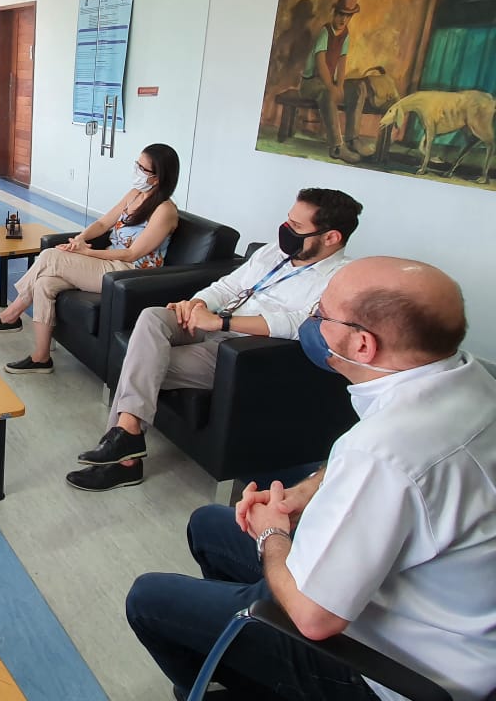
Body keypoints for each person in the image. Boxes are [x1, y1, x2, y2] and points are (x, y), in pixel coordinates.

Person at [125, 257, 496, 701]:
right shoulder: (469, 378)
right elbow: (369, 470)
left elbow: (315, 619)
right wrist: (303, 494)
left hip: (388, 664)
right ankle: (244, 656)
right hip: (410, 599)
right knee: (209, 525)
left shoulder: (384, 452)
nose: (311, 324)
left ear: (362, 345)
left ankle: (218, 682)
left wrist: (272, 537)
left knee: (149, 599)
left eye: (320, 315)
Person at [69, 187, 362, 491]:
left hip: (237, 350)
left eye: (297, 228)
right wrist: (197, 303)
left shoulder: (340, 279)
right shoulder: (276, 251)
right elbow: (227, 285)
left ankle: (125, 456)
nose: (286, 231)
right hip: (210, 323)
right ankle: (127, 437)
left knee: (139, 361)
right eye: (288, 221)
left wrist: (223, 321)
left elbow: (297, 323)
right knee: (153, 317)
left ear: (331, 237)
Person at [0, 144, 181, 375]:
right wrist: (79, 239)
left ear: (157, 177)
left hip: (128, 272)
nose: (136, 171)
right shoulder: (135, 194)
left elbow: (132, 254)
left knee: (50, 256)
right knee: (45, 283)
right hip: (109, 263)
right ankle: (41, 358)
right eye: (137, 164)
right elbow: (103, 224)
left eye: (142, 169)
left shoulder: (165, 211)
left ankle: (10, 315)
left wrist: (86, 252)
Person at [299, 0, 369, 164]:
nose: (343, 20)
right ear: (335, 13)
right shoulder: (325, 32)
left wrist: (340, 85)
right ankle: (337, 146)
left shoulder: (345, 35)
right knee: (329, 94)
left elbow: (342, 63)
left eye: (348, 16)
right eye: (340, 15)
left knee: (359, 88)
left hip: (328, 81)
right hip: (311, 83)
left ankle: (352, 138)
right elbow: (321, 63)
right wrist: (333, 87)